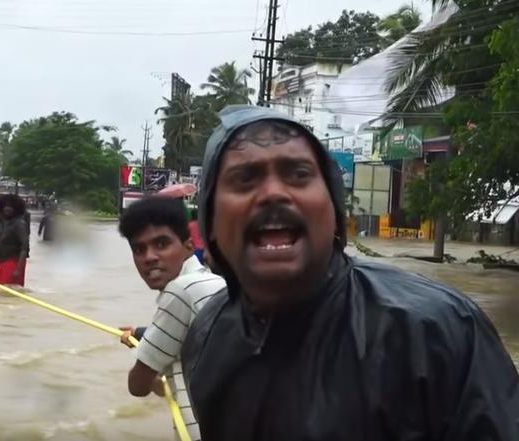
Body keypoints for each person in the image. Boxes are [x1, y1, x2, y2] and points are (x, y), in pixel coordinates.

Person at [181, 105, 519, 441]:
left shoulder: (437, 332)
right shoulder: (206, 336)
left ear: (334, 211)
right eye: (245, 179)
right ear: (210, 224)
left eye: (298, 174)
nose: (274, 193)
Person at [117, 197, 226, 441]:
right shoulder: (212, 282)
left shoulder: (181, 291)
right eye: (139, 249)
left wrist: (142, 351)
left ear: (188, 246)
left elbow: (138, 386)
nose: (149, 257)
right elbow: (168, 381)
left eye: (161, 244)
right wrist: (142, 337)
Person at [0, 194, 29, 286]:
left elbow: (25, 247)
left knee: (7, 294)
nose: (7, 209)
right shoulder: (4, 222)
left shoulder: (19, 223)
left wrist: (18, 269)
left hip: (13, 264)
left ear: (16, 209)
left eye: (11, 207)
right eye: (5, 206)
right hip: (1, 262)